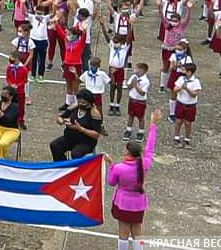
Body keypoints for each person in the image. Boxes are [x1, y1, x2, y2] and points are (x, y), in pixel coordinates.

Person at [104, 109, 162, 250]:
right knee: (137, 232)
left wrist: (111, 164)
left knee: (123, 232)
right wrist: (153, 125)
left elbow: (111, 182)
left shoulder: (119, 168)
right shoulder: (145, 164)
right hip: (138, 203)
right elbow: (150, 147)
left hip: (123, 203)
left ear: (128, 153)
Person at [50, 88, 102, 161]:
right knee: (55, 145)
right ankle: (62, 166)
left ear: (89, 102)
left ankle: (77, 170)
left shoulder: (94, 114)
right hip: (69, 138)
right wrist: (62, 121)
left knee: (76, 154)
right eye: (79, 102)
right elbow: (60, 117)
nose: (81, 104)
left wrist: (80, 129)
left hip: (85, 142)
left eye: (83, 103)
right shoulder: (74, 107)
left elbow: (96, 135)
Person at [172, 63, 201, 148]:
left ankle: (187, 139)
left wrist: (186, 88)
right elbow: (175, 89)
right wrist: (181, 88)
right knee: (178, 121)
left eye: (184, 70)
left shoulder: (196, 81)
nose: (182, 71)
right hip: (180, 103)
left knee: (188, 123)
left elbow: (194, 94)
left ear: (189, 72)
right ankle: (176, 137)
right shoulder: (181, 79)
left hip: (190, 106)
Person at [0, 85, 21, 158]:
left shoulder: (15, 106)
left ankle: (2, 159)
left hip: (11, 130)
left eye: (5, 94)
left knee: (3, 144)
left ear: (11, 97)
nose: (3, 95)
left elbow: (7, 119)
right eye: (2, 93)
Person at [124, 63, 150, 142]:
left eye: (139, 69)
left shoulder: (146, 81)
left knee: (140, 117)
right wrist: (132, 84)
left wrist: (136, 86)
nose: (136, 70)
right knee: (131, 115)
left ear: (144, 71)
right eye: (136, 68)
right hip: (132, 99)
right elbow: (128, 86)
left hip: (140, 101)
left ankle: (140, 132)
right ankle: (128, 130)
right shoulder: (133, 77)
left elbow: (142, 93)